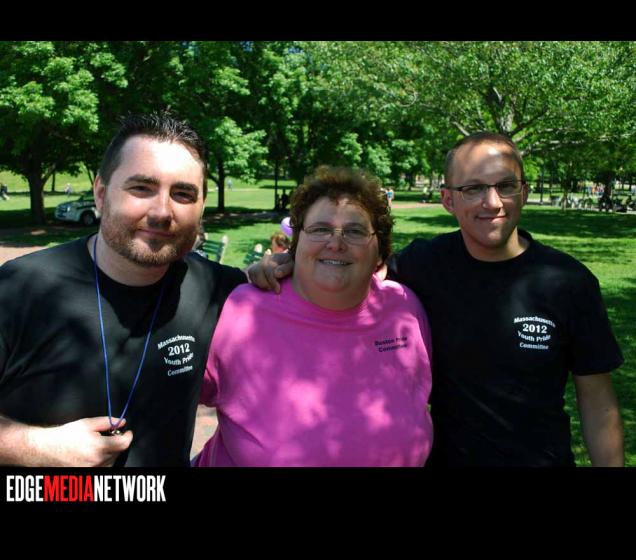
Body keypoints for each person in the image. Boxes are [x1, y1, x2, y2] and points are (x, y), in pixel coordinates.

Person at [249, 133, 624, 467]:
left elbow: (598, 403)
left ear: (523, 192)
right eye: (473, 188)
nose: (492, 202)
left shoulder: (569, 283)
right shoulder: (422, 264)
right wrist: (288, 262)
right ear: (448, 199)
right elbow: (351, 270)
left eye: (506, 185)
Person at [0, 113, 246, 467]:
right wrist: (38, 447)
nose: (162, 212)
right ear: (101, 194)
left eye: (183, 194)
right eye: (141, 188)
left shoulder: (221, 289)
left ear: (201, 207)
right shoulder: (19, 289)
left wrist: (281, 269)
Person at [194, 166, 433, 466]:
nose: (336, 243)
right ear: (296, 243)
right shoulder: (243, 310)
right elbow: (166, 404)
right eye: (320, 229)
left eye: (355, 231)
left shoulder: (404, 308)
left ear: (380, 251)